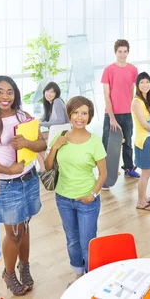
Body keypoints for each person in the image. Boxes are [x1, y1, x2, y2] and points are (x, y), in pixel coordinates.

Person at [0, 76, 47, 295]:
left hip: (29, 180)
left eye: (9, 92)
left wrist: (27, 143)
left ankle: (24, 266)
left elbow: (42, 144)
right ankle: (9, 273)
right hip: (7, 186)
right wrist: (9, 170)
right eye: (0, 91)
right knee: (14, 234)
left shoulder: (24, 116)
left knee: (25, 227)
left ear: (15, 94)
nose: (5, 96)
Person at [45, 96, 107, 285]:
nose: (79, 117)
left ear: (89, 116)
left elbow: (103, 174)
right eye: (75, 112)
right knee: (72, 240)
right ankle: (79, 276)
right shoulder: (60, 136)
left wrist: (92, 195)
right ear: (69, 114)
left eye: (84, 113)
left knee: (88, 243)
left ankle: (91, 279)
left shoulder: (94, 141)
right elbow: (48, 166)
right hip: (63, 198)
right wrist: (54, 147)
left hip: (86, 200)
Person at [101, 39, 140, 184]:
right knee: (108, 143)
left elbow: (132, 91)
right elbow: (106, 95)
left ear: (128, 52)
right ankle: (105, 171)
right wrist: (111, 117)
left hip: (127, 113)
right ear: (115, 52)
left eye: (125, 52)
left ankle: (129, 168)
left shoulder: (133, 70)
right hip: (111, 114)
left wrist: (132, 110)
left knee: (128, 142)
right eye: (120, 52)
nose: (122, 55)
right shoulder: (108, 70)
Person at [131, 72, 150, 211]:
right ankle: (140, 202)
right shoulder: (136, 102)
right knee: (146, 173)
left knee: (148, 172)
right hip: (143, 141)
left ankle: (144, 197)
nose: (145, 85)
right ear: (137, 85)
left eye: (147, 82)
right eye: (142, 82)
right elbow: (144, 124)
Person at [38, 81, 68, 171]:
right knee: (35, 142)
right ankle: (45, 167)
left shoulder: (57, 101)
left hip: (63, 132)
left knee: (38, 145)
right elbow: (43, 118)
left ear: (56, 93)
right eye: (47, 91)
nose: (49, 94)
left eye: (52, 92)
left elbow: (61, 121)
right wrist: (37, 122)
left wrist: (41, 124)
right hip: (55, 131)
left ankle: (45, 168)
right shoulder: (49, 104)